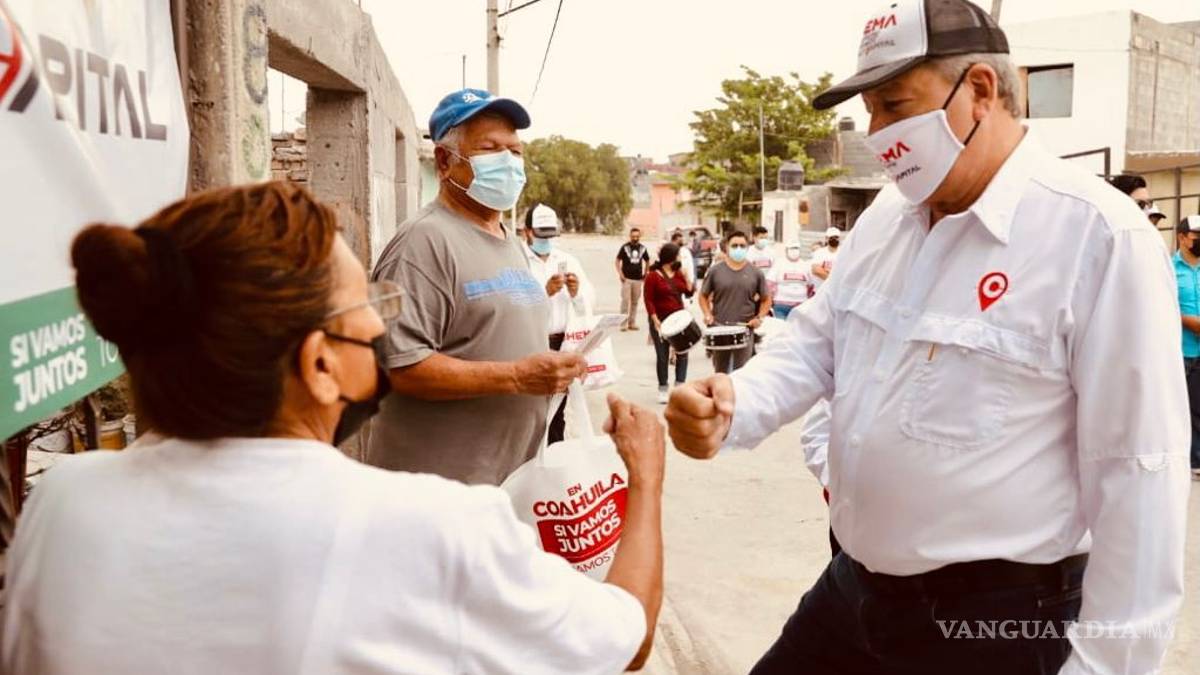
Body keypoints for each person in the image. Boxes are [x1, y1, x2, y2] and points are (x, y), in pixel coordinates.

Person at [665, 2, 1189, 673]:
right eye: (869, 112)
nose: (877, 132)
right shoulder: (888, 216)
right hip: (854, 589)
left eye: (894, 104)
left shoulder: (1097, 238)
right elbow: (819, 340)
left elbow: (1140, 471)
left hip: (994, 622)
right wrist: (736, 403)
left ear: (979, 90)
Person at [0, 181, 665, 675]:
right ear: (320, 363)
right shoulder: (432, 525)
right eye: (366, 309)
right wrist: (646, 478)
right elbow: (625, 639)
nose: (381, 328)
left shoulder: (64, 501)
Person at [367, 89, 587, 486]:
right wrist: (517, 377)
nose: (508, 162)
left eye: (515, 152)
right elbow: (400, 367)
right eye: (490, 149)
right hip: (439, 494)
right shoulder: (423, 242)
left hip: (505, 488)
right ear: (445, 161)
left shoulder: (509, 241)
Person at [520, 203, 595, 444]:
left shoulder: (567, 260)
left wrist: (576, 293)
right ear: (527, 232)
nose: (546, 241)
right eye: (541, 236)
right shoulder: (518, 262)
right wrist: (544, 293)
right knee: (528, 413)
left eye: (550, 236)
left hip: (561, 345)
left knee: (556, 414)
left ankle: (553, 463)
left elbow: (586, 307)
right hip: (529, 345)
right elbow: (511, 309)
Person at [698, 230, 771, 374]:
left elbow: (766, 299)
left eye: (742, 246)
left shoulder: (756, 272)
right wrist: (707, 314)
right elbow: (702, 296)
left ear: (748, 247)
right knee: (720, 373)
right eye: (735, 245)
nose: (738, 249)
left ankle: (740, 397)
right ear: (727, 246)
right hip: (719, 329)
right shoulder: (715, 271)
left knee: (742, 373)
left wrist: (759, 318)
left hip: (745, 330)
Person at [643, 242, 694, 404]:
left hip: (678, 320)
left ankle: (680, 387)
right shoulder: (653, 276)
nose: (680, 258)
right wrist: (654, 318)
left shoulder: (679, 273)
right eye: (678, 255)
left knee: (682, 353)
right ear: (670, 257)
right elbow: (648, 299)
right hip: (660, 320)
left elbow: (689, 292)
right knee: (663, 355)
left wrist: (687, 279)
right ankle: (663, 388)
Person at [1174, 214, 1200, 481]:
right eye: (1197, 237)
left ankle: (1197, 459)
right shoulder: (1170, 268)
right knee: (1181, 407)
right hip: (1181, 349)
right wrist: (1187, 321)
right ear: (1182, 237)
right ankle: (1185, 457)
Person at [766, 243, 813, 319]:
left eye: (796, 248)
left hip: (801, 305)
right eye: (792, 248)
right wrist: (770, 300)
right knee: (781, 328)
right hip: (781, 304)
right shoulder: (779, 263)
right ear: (786, 250)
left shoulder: (806, 265)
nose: (794, 251)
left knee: (797, 330)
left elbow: (811, 286)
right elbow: (769, 284)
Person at [616, 228, 650, 331]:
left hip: (638, 279)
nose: (635, 238)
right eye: (633, 236)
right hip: (627, 279)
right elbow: (617, 261)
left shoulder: (643, 248)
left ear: (639, 236)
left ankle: (632, 323)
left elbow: (647, 260)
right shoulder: (625, 247)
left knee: (635, 302)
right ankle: (623, 324)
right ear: (630, 236)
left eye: (637, 236)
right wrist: (620, 274)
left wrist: (646, 272)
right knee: (625, 301)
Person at [809, 226, 841, 293]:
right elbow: (816, 270)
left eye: (836, 237)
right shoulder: (819, 253)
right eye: (831, 237)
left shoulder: (843, 252)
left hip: (837, 292)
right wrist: (834, 280)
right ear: (826, 239)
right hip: (820, 291)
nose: (834, 239)